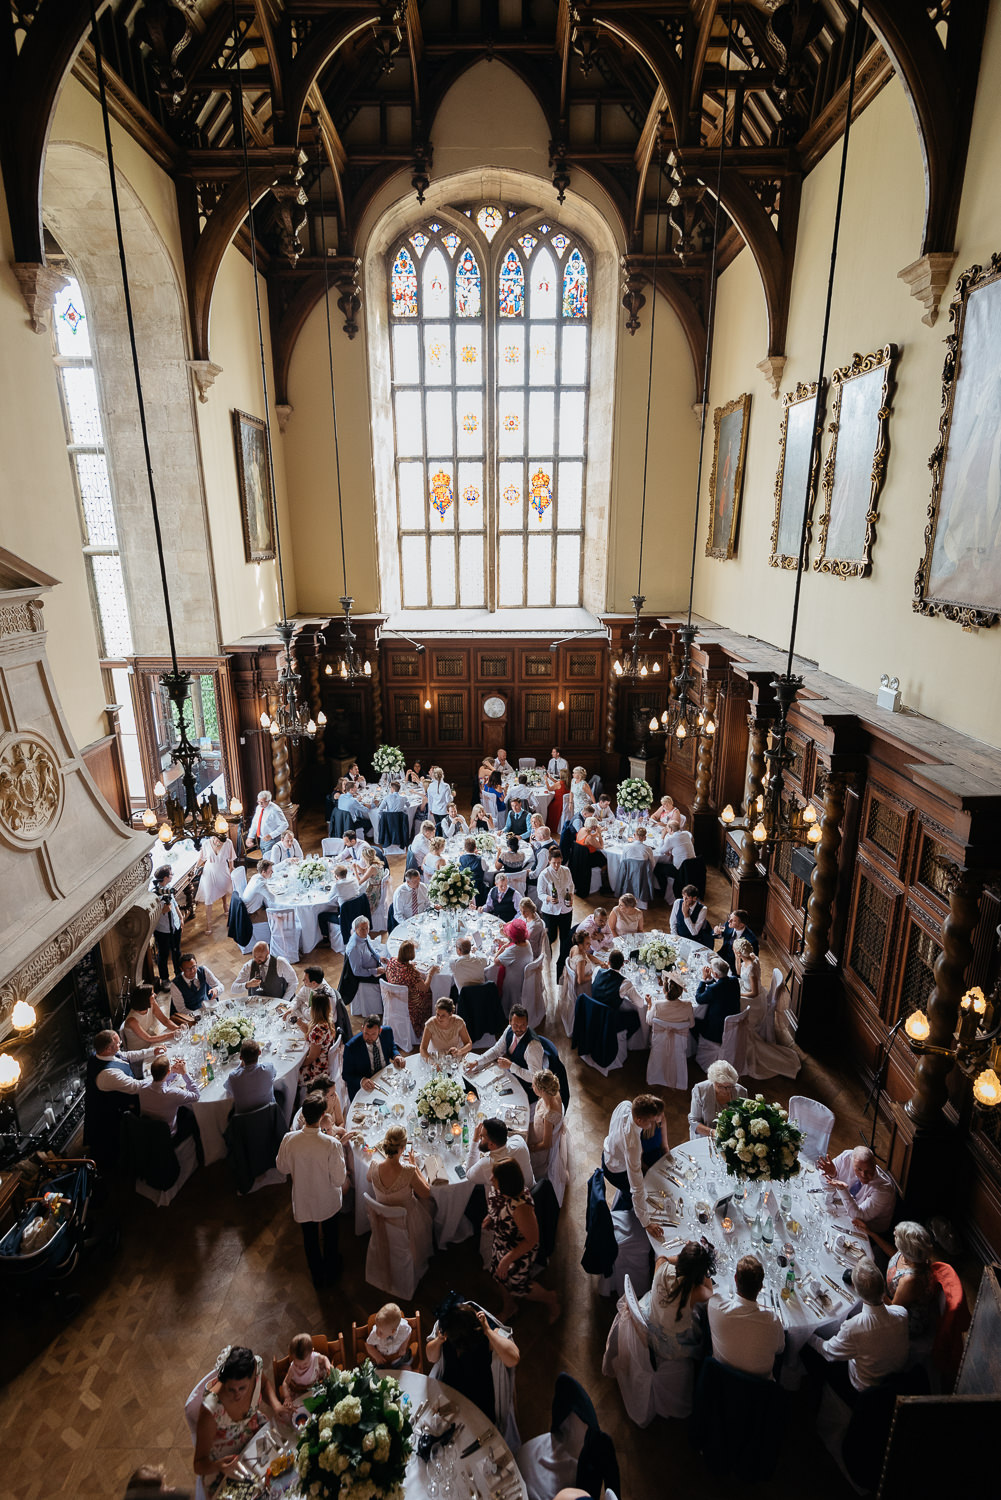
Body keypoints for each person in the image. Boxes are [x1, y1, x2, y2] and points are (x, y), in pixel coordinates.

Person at [803, 1259, 909, 1402]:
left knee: (806, 1352)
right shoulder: (901, 1313)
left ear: (856, 1291)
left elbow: (828, 1352)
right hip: (896, 1377)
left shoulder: (854, 1328)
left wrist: (807, 1335)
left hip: (864, 1389)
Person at [193, 1345, 284, 1497]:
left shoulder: (256, 1367)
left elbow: (264, 1385)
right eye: (231, 1389)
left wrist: (277, 1405)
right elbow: (198, 1465)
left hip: (256, 1433)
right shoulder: (211, 1410)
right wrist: (220, 1466)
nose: (237, 1395)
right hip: (227, 1461)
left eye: (242, 1388)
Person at [276, 1094, 347, 1286]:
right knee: (331, 1238)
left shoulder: (289, 1139)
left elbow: (282, 1168)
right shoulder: (331, 1144)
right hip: (328, 1200)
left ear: (304, 1115)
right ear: (323, 1115)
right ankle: (332, 1272)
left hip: (303, 1199)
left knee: (310, 1241)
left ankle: (317, 1278)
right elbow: (340, 1179)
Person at [486, 1158, 560, 1323]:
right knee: (499, 1277)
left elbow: (532, 1240)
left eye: (494, 1177)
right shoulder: (502, 1191)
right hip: (500, 1243)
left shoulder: (521, 1208)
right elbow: (499, 1209)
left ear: (505, 1183)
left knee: (520, 1286)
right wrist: (490, 1218)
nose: (491, 1178)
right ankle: (509, 1307)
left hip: (517, 1251)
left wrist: (507, 1259)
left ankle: (550, 1298)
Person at [425, 1301, 519, 1424]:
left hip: (479, 1400)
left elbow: (513, 1358)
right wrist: (438, 1340)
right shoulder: (448, 1329)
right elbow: (431, 1357)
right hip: (449, 1393)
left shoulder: (487, 1338)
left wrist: (488, 1331)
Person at [707, 1254, 785, 1378]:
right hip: (759, 1389)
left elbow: (709, 1290)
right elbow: (780, 1349)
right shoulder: (772, 1322)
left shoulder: (715, 1306)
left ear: (735, 1279)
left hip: (721, 1381)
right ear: (760, 1287)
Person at [601, 1094, 668, 1238]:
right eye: (650, 1122)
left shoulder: (625, 1104)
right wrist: (646, 1222)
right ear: (639, 1120)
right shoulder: (633, 1145)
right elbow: (636, 1187)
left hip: (606, 1153)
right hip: (616, 1171)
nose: (651, 1126)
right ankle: (618, 1221)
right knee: (635, 1193)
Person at [736, 937, 800, 1079]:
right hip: (751, 992)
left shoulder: (752, 967)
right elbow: (739, 971)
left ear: (741, 953)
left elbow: (754, 993)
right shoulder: (751, 957)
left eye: (736, 951)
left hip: (754, 1001)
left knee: (733, 1004)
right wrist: (737, 957)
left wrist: (738, 993)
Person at [369, 1124, 433, 1264]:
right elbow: (426, 1193)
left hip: (382, 1217)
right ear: (403, 1148)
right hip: (406, 1220)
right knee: (430, 1205)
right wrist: (414, 1165)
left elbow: (369, 1178)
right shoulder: (408, 1171)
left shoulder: (374, 1165)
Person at [640, 1241, 713, 1363]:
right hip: (669, 1342)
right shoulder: (696, 1292)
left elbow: (662, 1257)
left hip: (653, 1317)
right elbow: (710, 1292)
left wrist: (686, 1256)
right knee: (705, 1335)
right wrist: (705, 1270)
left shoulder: (661, 1265)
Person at [818, 1144, 896, 1234]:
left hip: (869, 1230)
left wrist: (843, 1190)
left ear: (875, 1166)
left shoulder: (884, 1190)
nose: (863, 1175)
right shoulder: (847, 1157)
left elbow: (858, 1216)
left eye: (868, 1170)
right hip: (847, 1208)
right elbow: (823, 1178)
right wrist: (833, 1175)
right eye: (859, 1169)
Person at [467, 1005, 548, 1091]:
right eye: (516, 1025)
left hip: (528, 1086)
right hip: (513, 1075)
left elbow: (534, 1077)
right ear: (510, 1022)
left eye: (523, 1025)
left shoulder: (533, 1046)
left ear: (527, 1023)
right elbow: (496, 1051)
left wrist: (510, 1066)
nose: (519, 1029)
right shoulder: (509, 1030)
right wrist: (476, 1062)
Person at [138, 1053, 200, 1138]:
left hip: (148, 1131)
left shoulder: (142, 1087)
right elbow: (196, 1095)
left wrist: (172, 1072)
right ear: (168, 1071)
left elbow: (161, 1083)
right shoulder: (173, 1094)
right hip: (168, 1136)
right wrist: (185, 1073)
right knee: (195, 1116)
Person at [343, 1015, 405, 1098]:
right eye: (366, 1033)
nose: (369, 1038)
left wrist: (396, 1055)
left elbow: (392, 1046)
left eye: (373, 1034)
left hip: (385, 1076)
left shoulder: (387, 1032)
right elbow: (346, 1075)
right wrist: (362, 1080)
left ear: (380, 1030)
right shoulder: (351, 1047)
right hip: (367, 1086)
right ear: (362, 1028)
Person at [385, 938, 439, 1034]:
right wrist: (431, 973)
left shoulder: (392, 961)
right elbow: (425, 988)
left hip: (394, 997)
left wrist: (409, 965)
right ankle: (427, 1023)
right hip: (411, 1003)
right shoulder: (412, 973)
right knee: (431, 992)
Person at [464, 1116, 535, 1187]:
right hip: (530, 1188)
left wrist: (475, 1140)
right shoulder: (519, 1141)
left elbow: (468, 1174)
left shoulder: (486, 1165)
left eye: (482, 1136)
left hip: (506, 1197)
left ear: (492, 1144)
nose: (479, 1136)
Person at [287, 967, 351, 1045]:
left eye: (305, 980)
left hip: (322, 1023)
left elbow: (310, 1015)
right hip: (314, 1019)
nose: (303, 981)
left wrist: (302, 1006)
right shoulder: (312, 984)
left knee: (293, 1035)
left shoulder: (323, 997)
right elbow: (299, 998)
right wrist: (292, 1008)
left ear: (313, 983)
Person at [538, 849, 575, 979]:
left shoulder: (566, 870)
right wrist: (549, 898)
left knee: (565, 939)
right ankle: (547, 964)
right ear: (549, 861)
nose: (556, 866)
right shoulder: (544, 874)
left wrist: (571, 897)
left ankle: (562, 967)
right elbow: (540, 893)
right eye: (554, 863)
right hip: (550, 912)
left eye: (559, 862)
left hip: (566, 910)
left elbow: (571, 886)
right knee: (550, 938)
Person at [296, 986, 341, 1091]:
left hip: (317, 1069)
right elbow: (311, 1032)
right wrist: (301, 1024)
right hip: (323, 1061)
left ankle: (295, 1099)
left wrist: (297, 1064)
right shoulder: (327, 1021)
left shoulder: (318, 1031)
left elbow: (312, 1057)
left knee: (291, 1075)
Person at [688, 1059, 747, 1136]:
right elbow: (694, 1121)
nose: (725, 1091)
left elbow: (744, 1119)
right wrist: (712, 1132)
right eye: (720, 1086)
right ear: (713, 1082)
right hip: (704, 1136)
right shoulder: (700, 1090)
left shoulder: (742, 1092)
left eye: (729, 1086)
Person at [693, 956, 741, 1045]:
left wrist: (703, 979)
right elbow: (721, 989)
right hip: (733, 1026)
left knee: (692, 1022)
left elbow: (698, 999)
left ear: (715, 974)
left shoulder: (713, 989)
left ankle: (698, 1049)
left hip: (716, 1032)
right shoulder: (734, 980)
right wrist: (710, 979)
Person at [528, 1068, 565, 1183]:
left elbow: (546, 1144)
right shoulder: (555, 1093)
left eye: (533, 1085)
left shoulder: (548, 1115)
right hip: (536, 1131)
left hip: (538, 1148)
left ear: (542, 1090)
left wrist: (531, 1148)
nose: (532, 1087)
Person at [224, 1038, 278, 1113]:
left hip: (245, 1121)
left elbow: (227, 1087)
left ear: (240, 1058)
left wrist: (240, 1065)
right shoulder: (268, 1068)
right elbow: (274, 1074)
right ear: (259, 1053)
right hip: (269, 1115)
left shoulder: (234, 1077)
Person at [278, 1333, 331, 1410]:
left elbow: (325, 1359)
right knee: (294, 1410)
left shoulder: (315, 1357)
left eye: (305, 1364)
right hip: (299, 1393)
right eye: (297, 1364)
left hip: (314, 1389)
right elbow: (285, 1383)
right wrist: (287, 1397)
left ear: (312, 1352)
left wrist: (327, 1366)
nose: (301, 1367)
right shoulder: (292, 1368)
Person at [196, 832, 235, 932]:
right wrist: (196, 867)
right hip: (209, 872)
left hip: (222, 870)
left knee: (223, 888)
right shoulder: (205, 843)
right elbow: (201, 857)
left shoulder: (228, 843)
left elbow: (231, 858)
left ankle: (225, 906)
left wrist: (231, 868)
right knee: (208, 897)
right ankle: (209, 924)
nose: (218, 841)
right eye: (217, 839)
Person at [151, 865, 184, 982]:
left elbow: (174, 903)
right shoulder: (154, 894)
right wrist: (167, 905)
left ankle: (179, 974)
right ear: (165, 878)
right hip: (163, 930)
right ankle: (165, 979)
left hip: (174, 925)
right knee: (163, 954)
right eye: (171, 874)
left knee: (177, 951)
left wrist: (180, 918)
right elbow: (163, 911)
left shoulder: (168, 888)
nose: (172, 876)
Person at [232, 941, 296, 1000]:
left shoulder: (281, 963)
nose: (256, 960)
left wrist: (284, 1000)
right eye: (254, 956)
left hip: (276, 1002)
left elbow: (293, 982)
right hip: (256, 1005)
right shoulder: (249, 966)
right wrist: (247, 985)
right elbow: (234, 988)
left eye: (260, 957)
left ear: (268, 953)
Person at [495, 916, 533, 1014]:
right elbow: (514, 945)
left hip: (512, 982)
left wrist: (502, 947)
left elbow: (496, 961)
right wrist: (507, 944)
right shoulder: (527, 943)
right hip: (523, 976)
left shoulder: (513, 950)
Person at [169, 952, 225, 1020]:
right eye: (188, 969)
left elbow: (221, 986)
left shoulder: (203, 970)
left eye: (194, 967)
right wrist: (198, 1016)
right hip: (190, 1015)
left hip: (206, 1008)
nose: (192, 971)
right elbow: (181, 1009)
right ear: (182, 969)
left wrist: (216, 989)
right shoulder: (175, 985)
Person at [345, 915, 387, 997]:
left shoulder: (364, 936)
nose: (365, 932)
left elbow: (371, 949)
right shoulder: (355, 948)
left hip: (375, 965)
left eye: (367, 928)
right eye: (362, 929)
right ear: (356, 930)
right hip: (365, 974)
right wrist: (375, 971)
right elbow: (357, 971)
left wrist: (379, 958)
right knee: (388, 978)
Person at [365, 1303, 415, 1370]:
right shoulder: (375, 1333)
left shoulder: (403, 1328)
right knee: (377, 1372)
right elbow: (368, 1345)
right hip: (382, 1359)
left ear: (393, 1331)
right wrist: (377, 1356)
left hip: (399, 1359)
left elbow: (408, 1332)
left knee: (407, 1369)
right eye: (377, 1326)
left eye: (381, 1331)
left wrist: (404, 1346)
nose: (377, 1331)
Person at [714, 908, 759, 973]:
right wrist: (716, 931)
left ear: (741, 925)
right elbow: (715, 934)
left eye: (733, 920)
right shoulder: (728, 924)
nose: (729, 921)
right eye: (730, 917)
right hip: (721, 956)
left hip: (735, 967)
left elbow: (752, 963)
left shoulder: (751, 941)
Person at [566, 930, 607, 999]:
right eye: (587, 943)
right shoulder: (581, 960)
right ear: (580, 944)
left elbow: (588, 955)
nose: (590, 945)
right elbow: (580, 980)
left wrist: (601, 962)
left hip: (584, 976)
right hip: (584, 988)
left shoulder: (575, 948)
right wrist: (595, 973)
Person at [240, 859, 276, 939]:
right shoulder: (260, 884)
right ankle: (274, 939)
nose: (272, 872)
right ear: (263, 872)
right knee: (277, 916)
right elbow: (272, 899)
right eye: (270, 870)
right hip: (252, 914)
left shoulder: (255, 876)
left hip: (249, 908)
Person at [247, 790, 288, 855]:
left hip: (273, 840)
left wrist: (271, 835)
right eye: (259, 801)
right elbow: (255, 823)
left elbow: (285, 825)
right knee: (266, 860)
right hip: (262, 839)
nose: (260, 804)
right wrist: (250, 837)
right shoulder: (259, 808)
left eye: (262, 802)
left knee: (271, 861)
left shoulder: (275, 810)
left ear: (269, 801)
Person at [576, 816, 609, 888]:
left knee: (600, 855)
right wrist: (599, 834)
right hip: (588, 858)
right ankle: (605, 883)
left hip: (580, 855)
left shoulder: (582, 830)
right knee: (606, 861)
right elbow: (601, 846)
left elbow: (590, 837)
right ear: (594, 827)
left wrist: (598, 832)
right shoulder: (589, 838)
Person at [459, 836, 489, 903]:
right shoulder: (481, 859)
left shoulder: (461, 858)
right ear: (475, 848)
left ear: (464, 848)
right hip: (478, 889)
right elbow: (486, 869)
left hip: (464, 888)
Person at [426, 766, 452, 833]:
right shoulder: (446, 786)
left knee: (438, 826)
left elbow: (430, 799)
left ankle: (438, 840)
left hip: (435, 810)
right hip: (444, 811)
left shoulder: (431, 785)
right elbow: (448, 800)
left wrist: (431, 809)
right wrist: (452, 796)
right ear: (442, 775)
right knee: (445, 828)